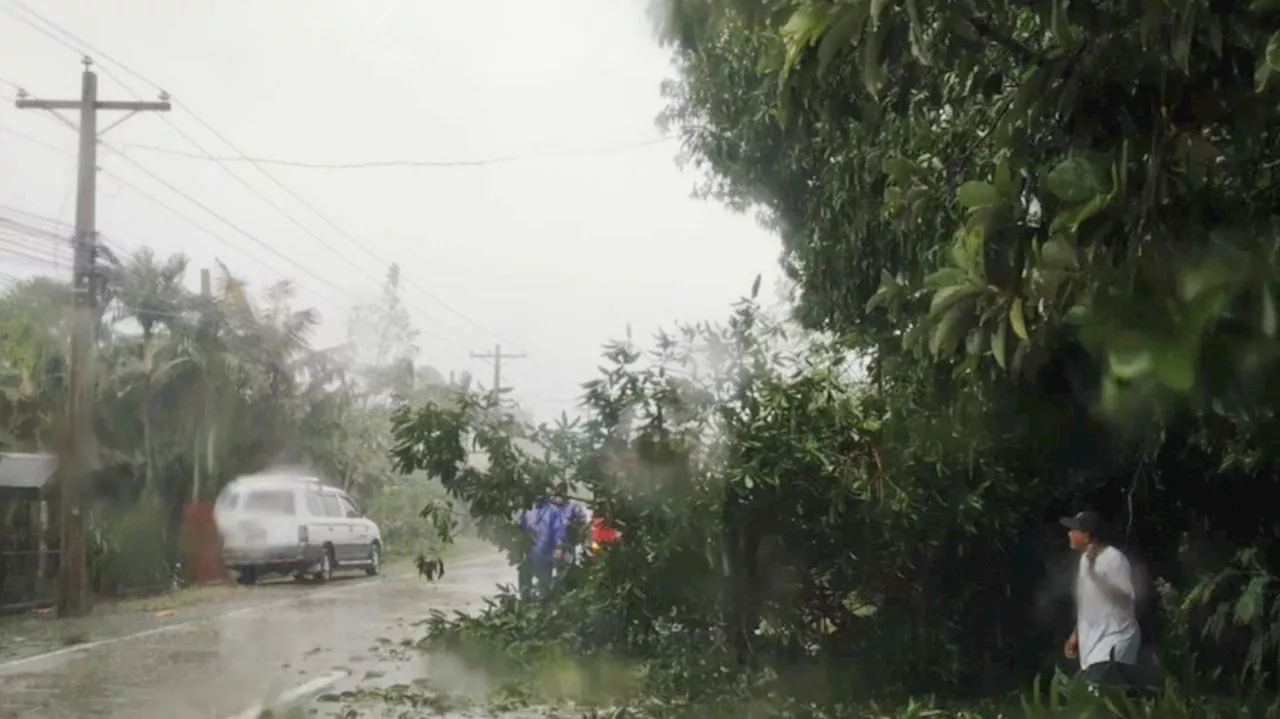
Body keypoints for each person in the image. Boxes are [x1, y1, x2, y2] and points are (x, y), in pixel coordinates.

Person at [1060, 510, 1141, 691]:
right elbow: (1090, 604)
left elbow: (1125, 599)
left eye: (1074, 529)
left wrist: (1094, 575)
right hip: (1095, 648)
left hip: (1115, 642)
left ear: (1087, 536)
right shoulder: (1084, 561)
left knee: (1095, 703)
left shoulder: (1114, 559)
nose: (1069, 533)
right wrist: (1076, 635)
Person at [516, 493, 565, 601]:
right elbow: (517, 528)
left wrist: (558, 547)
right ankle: (525, 604)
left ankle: (543, 607)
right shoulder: (525, 509)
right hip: (528, 554)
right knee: (525, 583)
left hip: (545, 555)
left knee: (544, 586)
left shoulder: (553, 511)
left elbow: (558, 531)